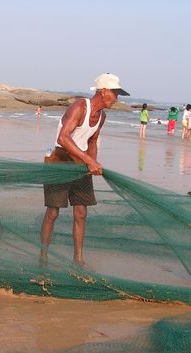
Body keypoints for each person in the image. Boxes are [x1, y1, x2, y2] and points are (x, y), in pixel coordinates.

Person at [41, 73, 130, 268]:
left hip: (80, 161)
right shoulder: (80, 107)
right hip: (59, 159)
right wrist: (89, 160)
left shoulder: (102, 116)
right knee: (53, 213)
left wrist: (93, 162)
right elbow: (64, 138)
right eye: (115, 94)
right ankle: (43, 258)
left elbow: (92, 141)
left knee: (81, 212)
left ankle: (78, 259)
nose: (117, 99)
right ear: (103, 91)